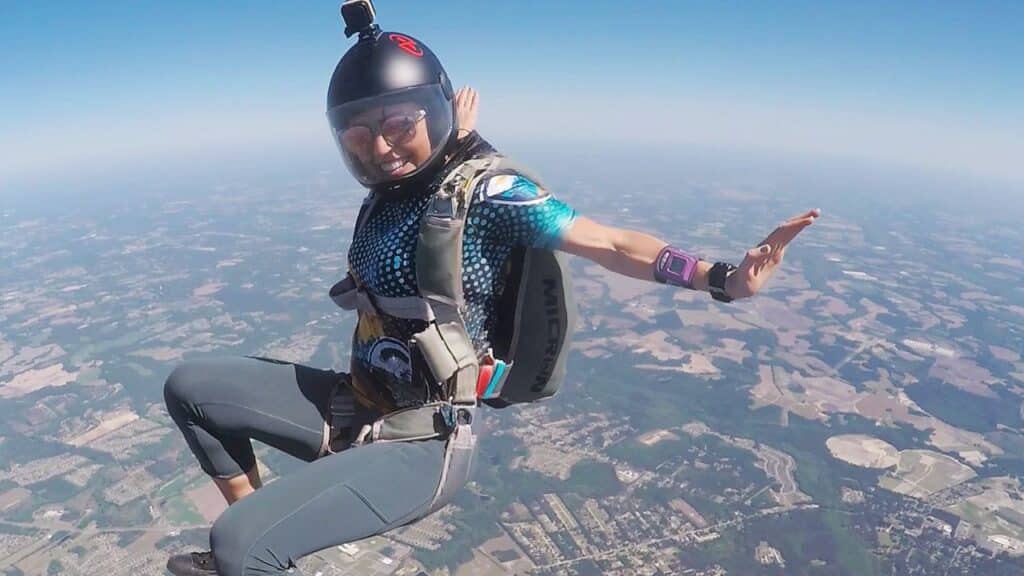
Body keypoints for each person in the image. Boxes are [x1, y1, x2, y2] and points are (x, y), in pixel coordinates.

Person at [163, 10, 820, 576]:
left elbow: (613, 243)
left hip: (422, 444)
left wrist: (722, 278)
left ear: (434, 114)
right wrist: (450, 133)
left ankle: (246, 556)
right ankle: (252, 552)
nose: (383, 147)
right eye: (361, 135)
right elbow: (430, 167)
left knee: (236, 544)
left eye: (399, 123)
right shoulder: (397, 194)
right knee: (191, 389)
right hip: (356, 405)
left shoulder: (489, 192)